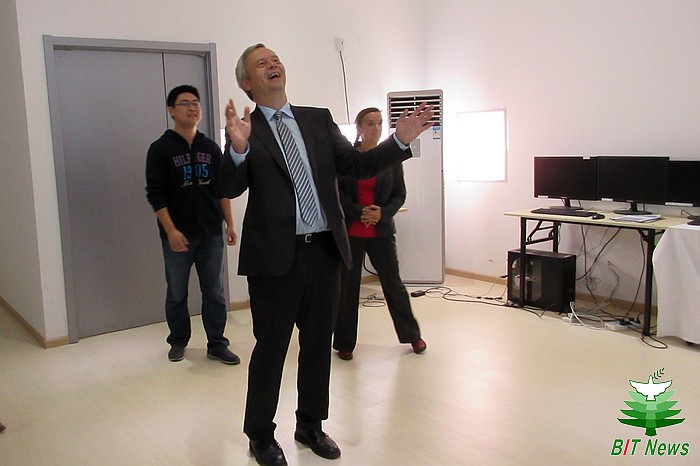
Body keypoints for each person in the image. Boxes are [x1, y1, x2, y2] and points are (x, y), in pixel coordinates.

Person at [220, 43, 434, 466]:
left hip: (324, 252)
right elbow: (228, 186)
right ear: (247, 83)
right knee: (271, 349)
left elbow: (356, 165)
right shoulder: (246, 129)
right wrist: (239, 149)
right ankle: (260, 434)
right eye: (261, 63)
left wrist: (400, 141)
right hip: (274, 260)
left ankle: (311, 425)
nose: (273, 65)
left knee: (319, 345)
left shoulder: (317, 120)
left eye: (275, 59)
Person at [145, 84, 240, 365]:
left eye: (196, 102)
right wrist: (171, 230)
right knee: (177, 293)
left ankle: (217, 343)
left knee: (215, 292)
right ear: (171, 111)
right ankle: (178, 340)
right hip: (177, 237)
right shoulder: (160, 149)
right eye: (185, 103)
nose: (192, 107)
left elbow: (222, 189)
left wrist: (230, 224)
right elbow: (155, 194)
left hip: (211, 234)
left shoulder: (210, 147)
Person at [333, 107, 426, 361]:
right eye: (370, 124)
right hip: (352, 231)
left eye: (379, 123)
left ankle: (412, 335)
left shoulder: (389, 157)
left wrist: (382, 213)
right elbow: (338, 194)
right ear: (359, 128)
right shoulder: (347, 158)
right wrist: (359, 212)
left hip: (381, 231)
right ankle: (344, 342)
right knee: (347, 290)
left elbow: (399, 195)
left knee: (394, 286)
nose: (376, 128)